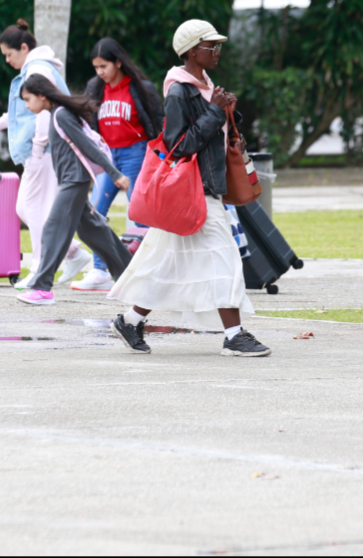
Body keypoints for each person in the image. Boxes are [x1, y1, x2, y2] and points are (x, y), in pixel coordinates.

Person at [108, 19, 271, 357]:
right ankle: (234, 336)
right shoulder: (179, 90)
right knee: (225, 258)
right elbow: (179, 144)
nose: (218, 52)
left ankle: (129, 320)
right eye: (212, 46)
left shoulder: (205, 85)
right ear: (193, 50)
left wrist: (225, 111)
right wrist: (214, 111)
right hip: (192, 191)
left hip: (202, 190)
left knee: (166, 262)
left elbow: (211, 135)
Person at [0, 19, 90, 288]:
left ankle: (40, 269)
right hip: (44, 150)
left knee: (33, 208)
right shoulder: (38, 67)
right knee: (31, 208)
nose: (7, 60)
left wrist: (38, 150)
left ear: (24, 47)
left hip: (44, 151)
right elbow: (22, 111)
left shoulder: (36, 70)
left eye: (9, 54)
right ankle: (72, 252)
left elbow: (43, 113)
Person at [13, 75, 134, 305]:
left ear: (41, 96)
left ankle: (42, 288)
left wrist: (114, 173)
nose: (27, 106)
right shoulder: (57, 113)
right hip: (72, 180)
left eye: (28, 100)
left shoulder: (60, 114)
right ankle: (130, 276)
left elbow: (86, 146)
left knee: (53, 228)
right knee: (94, 231)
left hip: (74, 181)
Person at [77, 38, 164, 292]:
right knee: (95, 212)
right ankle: (99, 270)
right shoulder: (95, 88)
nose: (99, 72)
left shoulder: (140, 88)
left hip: (135, 153)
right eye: (95, 67)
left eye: (103, 66)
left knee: (138, 212)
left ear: (118, 62)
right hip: (107, 156)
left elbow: (157, 121)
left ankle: (145, 270)